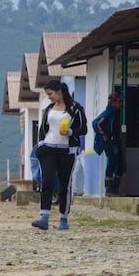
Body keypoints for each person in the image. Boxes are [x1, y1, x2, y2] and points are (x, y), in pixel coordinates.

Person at [31, 80, 87, 230]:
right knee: (47, 181)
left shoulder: (75, 109)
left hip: (67, 150)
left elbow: (83, 129)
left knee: (64, 184)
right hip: (48, 148)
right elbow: (43, 128)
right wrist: (41, 143)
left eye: (50, 94)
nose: (49, 97)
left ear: (59, 91)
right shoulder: (50, 108)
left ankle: (63, 217)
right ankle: (44, 216)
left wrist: (70, 132)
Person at [92, 92, 125, 196]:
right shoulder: (109, 112)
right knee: (112, 163)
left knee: (120, 165)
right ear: (113, 102)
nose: (121, 104)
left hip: (116, 141)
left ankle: (115, 188)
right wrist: (103, 134)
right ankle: (109, 189)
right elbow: (95, 123)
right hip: (110, 142)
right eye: (119, 102)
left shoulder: (116, 113)